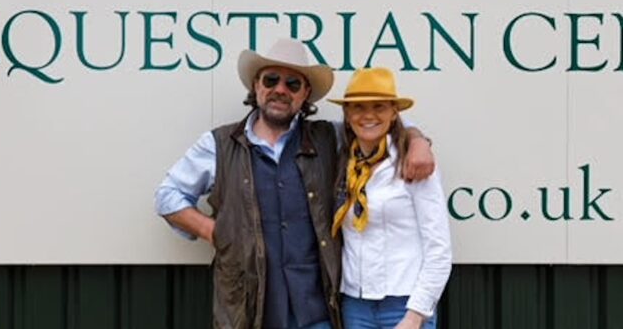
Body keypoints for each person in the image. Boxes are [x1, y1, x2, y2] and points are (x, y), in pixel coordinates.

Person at [154, 39, 434, 329]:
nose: (280, 89)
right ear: (256, 85)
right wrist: (217, 232)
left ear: (305, 94)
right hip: (248, 314)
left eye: (292, 84)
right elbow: (167, 197)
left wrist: (416, 140)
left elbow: (375, 121)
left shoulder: (329, 138)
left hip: (318, 315)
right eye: (271, 80)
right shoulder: (220, 144)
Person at [329, 68, 452, 329]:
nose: (368, 115)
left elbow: (438, 247)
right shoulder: (341, 161)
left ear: (394, 113)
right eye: (359, 107)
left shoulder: (414, 163)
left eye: (379, 107)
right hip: (355, 303)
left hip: (405, 303)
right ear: (347, 114)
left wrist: (415, 316)